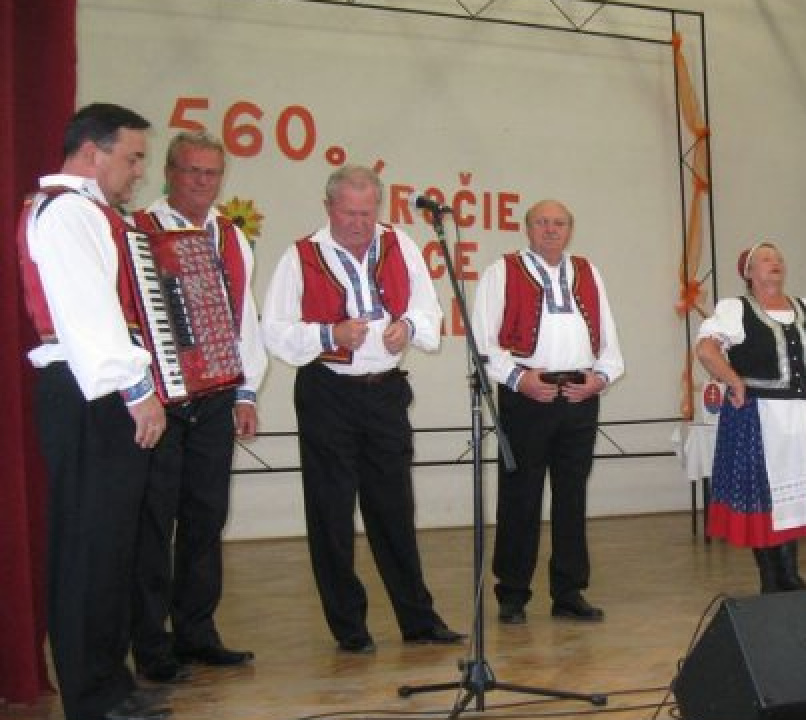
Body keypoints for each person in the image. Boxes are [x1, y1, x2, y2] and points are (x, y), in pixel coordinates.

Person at [260, 165, 464, 653]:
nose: (358, 222)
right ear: (328, 207)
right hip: (327, 391)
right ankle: (349, 628)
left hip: (385, 392)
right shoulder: (300, 255)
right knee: (331, 512)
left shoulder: (401, 244)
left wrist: (408, 328)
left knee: (394, 507)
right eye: (349, 213)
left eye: (367, 213)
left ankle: (418, 619)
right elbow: (276, 331)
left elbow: (428, 308)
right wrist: (329, 334)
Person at [17, 103, 172, 720]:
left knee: (112, 544)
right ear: (93, 151)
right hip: (87, 389)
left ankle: (112, 679)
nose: (140, 171)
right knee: (88, 544)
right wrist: (137, 392)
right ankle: (92, 693)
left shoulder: (90, 214)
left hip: (94, 388)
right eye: (133, 157)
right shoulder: (67, 213)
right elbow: (90, 318)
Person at [125, 131, 268, 682]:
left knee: (207, 518)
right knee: (154, 523)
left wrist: (246, 391)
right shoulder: (139, 231)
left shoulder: (232, 237)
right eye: (192, 171)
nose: (202, 182)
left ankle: (197, 632)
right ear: (169, 172)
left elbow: (244, 322)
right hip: (162, 400)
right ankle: (151, 643)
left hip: (215, 398)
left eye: (211, 173)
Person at [471, 199, 624, 625]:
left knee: (572, 494)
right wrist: (520, 380)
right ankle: (513, 592)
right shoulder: (500, 271)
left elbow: (609, 340)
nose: (551, 230)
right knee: (520, 494)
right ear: (527, 228)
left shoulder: (588, 271)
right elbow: (485, 343)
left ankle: (569, 590)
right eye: (542, 222)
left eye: (559, 223)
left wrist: (601, 379)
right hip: (527, 394)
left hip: (580, 393)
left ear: (570, 230)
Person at [694, 242, 806, 593]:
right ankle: (772, 577)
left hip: (802, 413)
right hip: (760, 414)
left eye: (778, 257)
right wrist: (734, 381)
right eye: (765, 259)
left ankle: (789, 573)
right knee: (765, 494)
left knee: (792, 499)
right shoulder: (735, 309)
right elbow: (705, 349)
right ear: (748, 272)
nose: (774, 263)